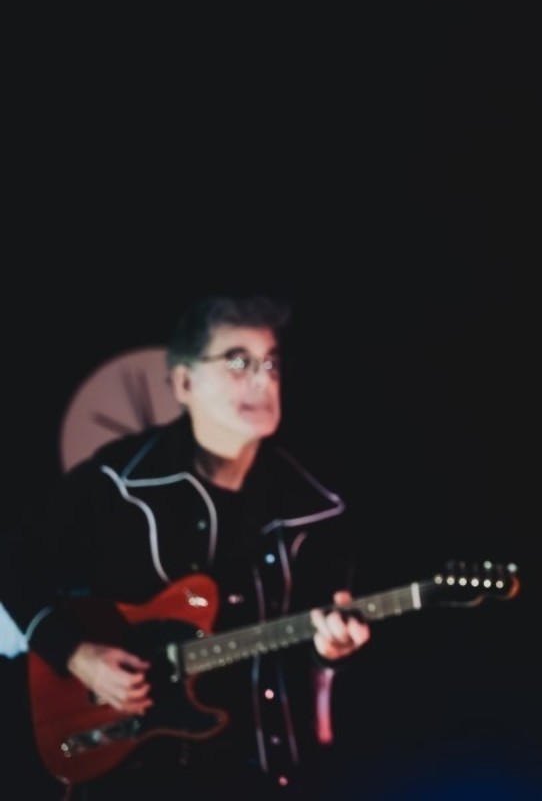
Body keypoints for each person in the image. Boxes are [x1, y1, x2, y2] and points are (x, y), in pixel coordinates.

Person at [0, 294, 371, 799]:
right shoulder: (119, 481)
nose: (261, 380)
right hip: (137, 776)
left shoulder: (317, 505)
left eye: (271, 364)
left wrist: (330, 652)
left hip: (264, 772)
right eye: (238, 362)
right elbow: (16, 561)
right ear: (183, 382)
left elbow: (318, 653)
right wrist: (75, 653)